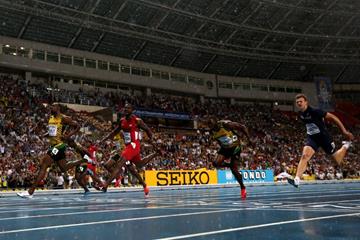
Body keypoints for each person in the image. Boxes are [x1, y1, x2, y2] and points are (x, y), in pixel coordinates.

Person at [17, 104, 91, 198]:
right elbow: (53, 131)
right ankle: (83, 160)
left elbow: (78, 126)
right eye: (50, 107)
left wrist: (68, 136)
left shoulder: (64, 118)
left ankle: (30, 192)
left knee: (44, 164)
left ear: (58, 108)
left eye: (53, 107)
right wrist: (46, 134)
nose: (51, 108)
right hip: (54, 145)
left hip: (59, 145)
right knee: (64, 168)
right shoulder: (51, 118)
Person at [287, 94, 354, 188]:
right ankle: (297, 180)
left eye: (301, 101)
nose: (299, 103)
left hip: (324, 138)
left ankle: (345, 145)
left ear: (306, 102)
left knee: (337, 161)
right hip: (312, 138)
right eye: (297, 102)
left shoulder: (315, 111)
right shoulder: (301, 114)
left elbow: (333, 118)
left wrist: (344, 131)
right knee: (305, 156)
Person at [100, 103, 154, 196]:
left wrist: (151, 140)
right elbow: (114, 132)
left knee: (120, 164)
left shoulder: (137, 121)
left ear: (132, 110)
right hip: (125, 148)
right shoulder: (122, 121)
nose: (126, 109)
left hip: (134, 145)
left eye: (128, 108)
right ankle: (144, 184)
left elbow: (148, 130)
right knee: (137, 165)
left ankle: (105, 185)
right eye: (125, 108)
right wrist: (103, 140)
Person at [208, 117, 253, 199]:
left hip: (235, 147)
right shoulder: (212, 132)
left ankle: (242, 188)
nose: (214, 128)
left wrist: (249, 139)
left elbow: (243, 127)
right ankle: (230, 166)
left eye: (214, 126)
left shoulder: (226, 125)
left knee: (234, 171)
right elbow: (219, 140)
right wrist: (222, 147)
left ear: (216, 123)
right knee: (215, 163)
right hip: (225, 148)